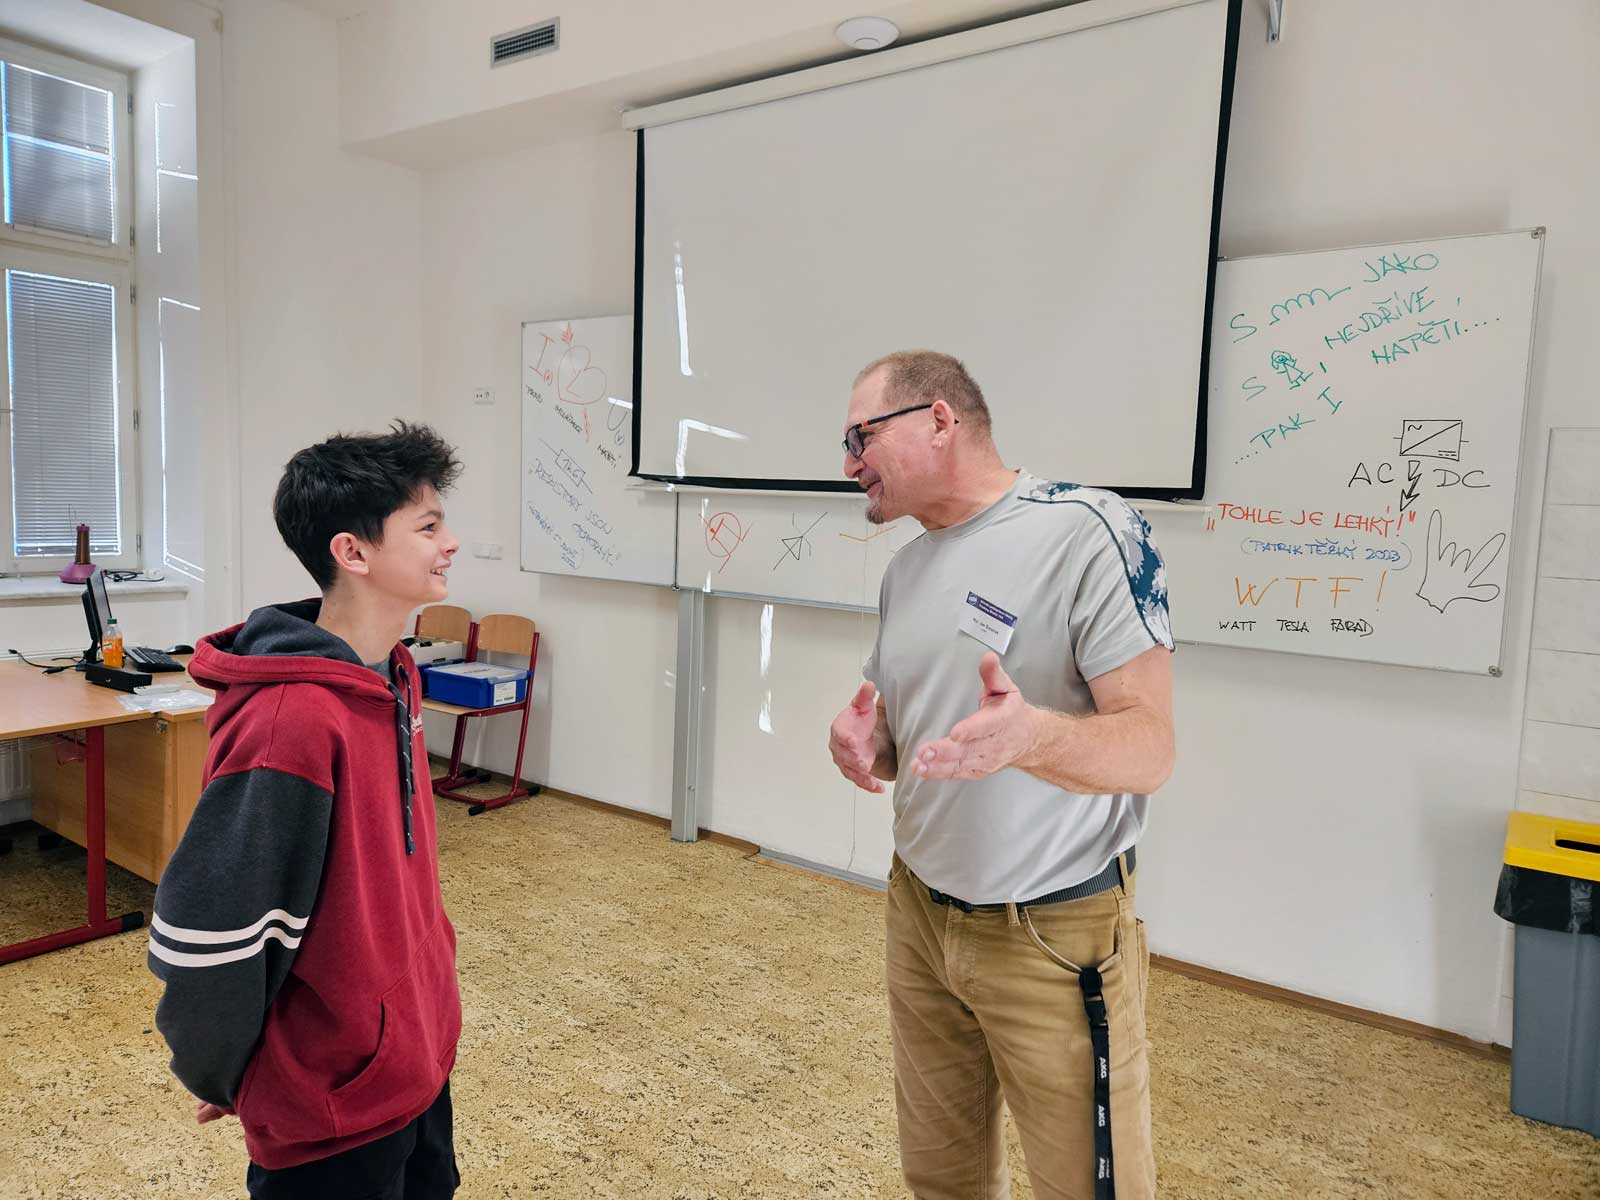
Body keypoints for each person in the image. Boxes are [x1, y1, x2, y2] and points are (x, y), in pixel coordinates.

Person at [828, 351, 1175, 1200]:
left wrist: (1030, 738)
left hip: (1052, 933)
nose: (848, 466)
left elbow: (1151, 749)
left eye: (860, 438)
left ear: (938, 420)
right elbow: (916, 739)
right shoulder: (906, 569)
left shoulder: (1088, 531)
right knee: (942, 1178)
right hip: (920, 916)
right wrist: (870, 743)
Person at [148, 422, 466, 1199]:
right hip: (332, 1106)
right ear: (352, 552)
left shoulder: (393, 674)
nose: (450, 543)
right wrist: (223, 1068)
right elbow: (212, 929)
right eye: (428, 527)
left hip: (415, 1061)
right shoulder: (290, 719)